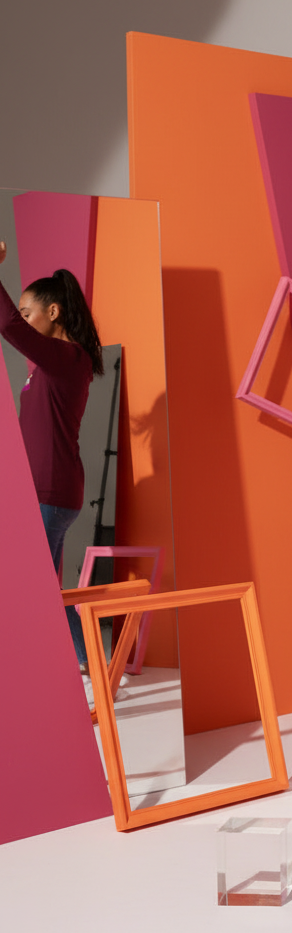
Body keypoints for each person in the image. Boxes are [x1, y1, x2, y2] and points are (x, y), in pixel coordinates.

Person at [0, 240, 104, 672]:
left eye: (30, 311)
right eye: (24, 312)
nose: (25, 318)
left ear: (54, 312)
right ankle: (88, 665)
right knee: (47, 590)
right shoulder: (53, 365)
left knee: (30, 590)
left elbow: (10, 327)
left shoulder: (67, 358)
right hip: (48, 490)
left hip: (50, 491)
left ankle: (57, 670)